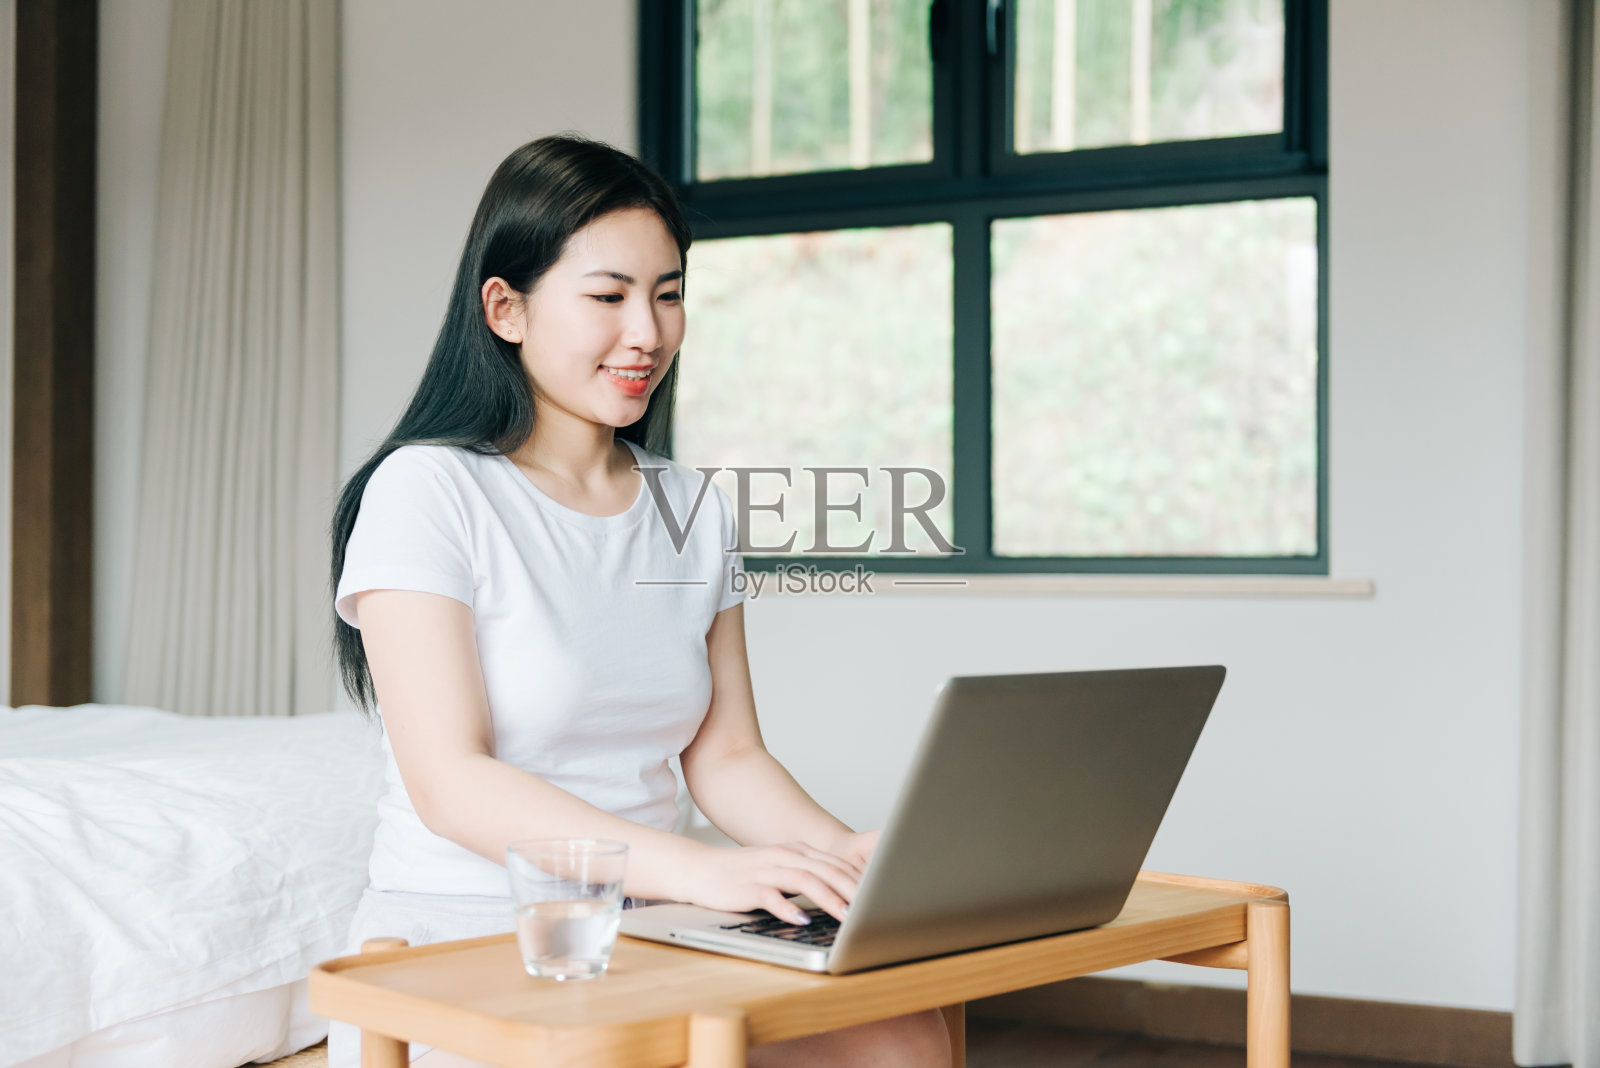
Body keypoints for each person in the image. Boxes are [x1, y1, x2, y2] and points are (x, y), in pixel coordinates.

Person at [325, 135, 952, 1068]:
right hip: (475, 938)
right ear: (505, 308)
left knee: (901, 1034)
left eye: (668, 294)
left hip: (657, 927)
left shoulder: (690, 506)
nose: (648, 334)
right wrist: (702, 869)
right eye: (609, 296)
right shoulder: (428, 490)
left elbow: (727, 754)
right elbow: (451, 780)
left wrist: (842, 861)